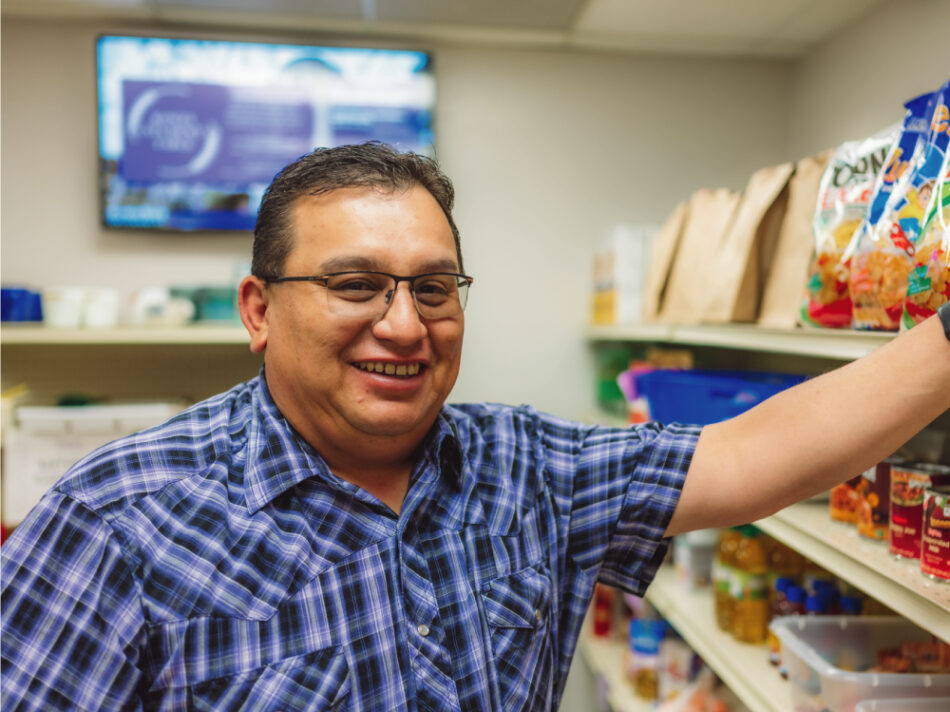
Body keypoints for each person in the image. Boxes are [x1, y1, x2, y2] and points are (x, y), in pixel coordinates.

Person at [2, 141, 949, 711]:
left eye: (435, 288)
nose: (405, 324)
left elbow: (748, 454)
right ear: (258, 310)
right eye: (355, 286)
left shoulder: (526, 466)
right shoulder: (116, 519)